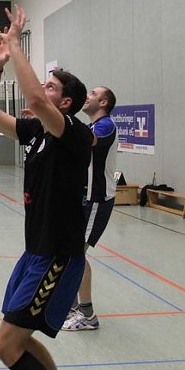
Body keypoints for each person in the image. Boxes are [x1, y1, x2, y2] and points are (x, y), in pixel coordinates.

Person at [0, 4, 92, 370]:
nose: (43, 88)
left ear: (66, 103)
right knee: (20, 339)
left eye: (52, 86)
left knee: (5, 345)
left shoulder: (73, 132)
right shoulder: (37, 131)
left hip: (58, 254)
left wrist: (14, 44)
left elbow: (36, 101)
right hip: (35, 252)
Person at [62, 86, 118, 332]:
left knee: (76, 254)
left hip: (97, 199)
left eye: (93, 94)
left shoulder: (105, 126)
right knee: (69, 252)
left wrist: (58, 115)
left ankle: (87, 315)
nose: (87, 96)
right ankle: (72, 306)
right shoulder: (91, 126)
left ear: (103, 102)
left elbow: (82, 138)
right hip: (83, 198)